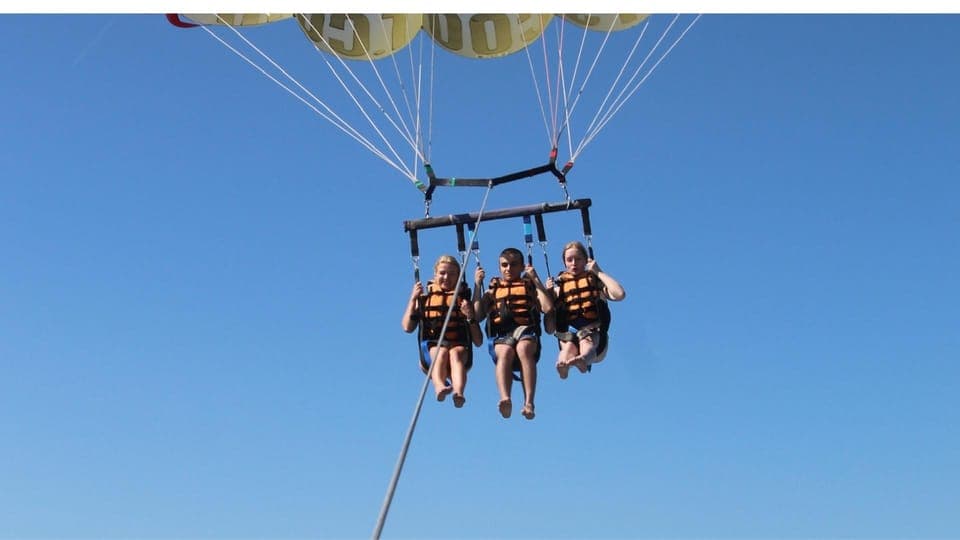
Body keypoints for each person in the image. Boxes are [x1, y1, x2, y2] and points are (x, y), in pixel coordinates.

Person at [475, 248, 553, 420]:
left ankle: (529, 402)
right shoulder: (493, 289)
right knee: (505, 352)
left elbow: (547, 308)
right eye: (504, 265)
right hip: (502, 335)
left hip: (526, 331)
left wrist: (536, 279)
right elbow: (477, 315)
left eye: (513, 265)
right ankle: (505, 398)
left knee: (523, 348)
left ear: (522, 266)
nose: (508, 269)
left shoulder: (530, 287)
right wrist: (477, 285)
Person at [401, 255, 483, 408]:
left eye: (452, 274)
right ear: (435, 275)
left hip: (458, 346)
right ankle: (439, 386)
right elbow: (407, 327)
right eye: (442, 273)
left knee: (455, 353)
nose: (447, 277)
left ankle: (458, 392)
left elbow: (478, 341)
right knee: (441, 352)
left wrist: (469, 315)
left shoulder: (463, 300)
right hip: (432, 349)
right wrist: (413, 299)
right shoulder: (425, 299)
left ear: (458, 277)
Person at [546, 241, 626, 379]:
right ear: (564, 263)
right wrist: (547, 292)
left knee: (586, 341)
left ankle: (582, 360)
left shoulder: (595, 284)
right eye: (569, 260)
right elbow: (548, 323)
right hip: (569, 333)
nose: (574, 263)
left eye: (578, 259)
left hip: (594, 335)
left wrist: (598, 271)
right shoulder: (559, 289)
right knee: (568, 347)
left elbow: (620, 294)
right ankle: (562, 365)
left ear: (586, 260)